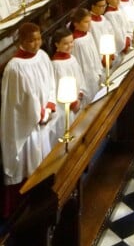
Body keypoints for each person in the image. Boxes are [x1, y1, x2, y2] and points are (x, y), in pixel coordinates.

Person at [0, 24, 57, 204]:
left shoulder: (43, 56)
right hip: (27, 125)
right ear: (22, 42)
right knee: (29, 160)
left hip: (43, 117)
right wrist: (38, 114)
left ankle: (43, 190)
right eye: (31, 40)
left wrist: (48, 105)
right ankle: (27, 198)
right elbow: (17, 102)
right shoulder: (14, 67)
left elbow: (50, 82)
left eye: (39, 38)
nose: (36, 43)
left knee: (44, 159)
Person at [51, 27, 87, 112]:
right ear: (57, 44)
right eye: (65, 44)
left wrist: (80, 92)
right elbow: (59, 87)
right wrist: (73, 103)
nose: (70, 45)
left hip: (78, 100)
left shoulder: (72, 58)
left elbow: (79, 77)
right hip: (66, 106)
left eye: (71, 42)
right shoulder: (56, 64)